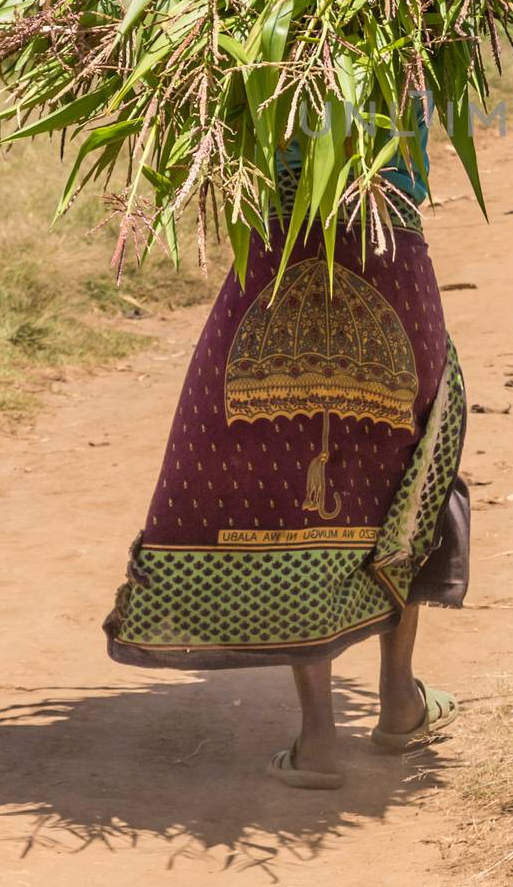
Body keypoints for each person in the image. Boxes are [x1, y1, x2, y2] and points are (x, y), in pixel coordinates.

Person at [104, 130, 469, 791]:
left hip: (278, 261)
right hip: (388, 254)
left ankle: (320, 738)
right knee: (405, 476)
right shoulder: (418, 31)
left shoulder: (249, 43)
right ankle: (398, 702)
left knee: (286, 484)